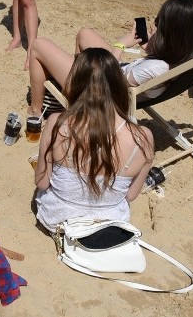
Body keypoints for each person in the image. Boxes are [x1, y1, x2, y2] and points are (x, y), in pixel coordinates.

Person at [26, 0, 193, 132]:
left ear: (170, 34)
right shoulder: (187, 55)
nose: (153, 25)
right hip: (116, 76)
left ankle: (36, 110)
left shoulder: (155, 67)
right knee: (85, 34)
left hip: (101, 89)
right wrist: (152, 49)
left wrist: (121, 45)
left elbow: (111, 81)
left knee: (38, 45)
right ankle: (70, 89)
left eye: (158, 22)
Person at [34, 48, 154, 233]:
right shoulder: (143, 137)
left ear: (74, 83)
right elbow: (130, 195)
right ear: (118, 85)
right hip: (109, 224)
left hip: (59, 220)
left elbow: (42, 182)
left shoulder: (57, 123)